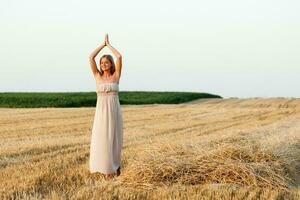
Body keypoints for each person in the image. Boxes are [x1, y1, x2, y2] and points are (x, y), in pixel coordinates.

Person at [88, 33, 123, 179]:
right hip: (101, 111)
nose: (103, 64)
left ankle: (115, 167)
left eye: (106, 62)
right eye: (102, 63)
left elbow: (119, 57)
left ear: (111, 64)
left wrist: (109, 46)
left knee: (114, 139)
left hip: (114, 109)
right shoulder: (97, 76)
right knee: (102, 139)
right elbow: (91, 58)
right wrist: (102, 45)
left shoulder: (116, 76)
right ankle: (105, 168)